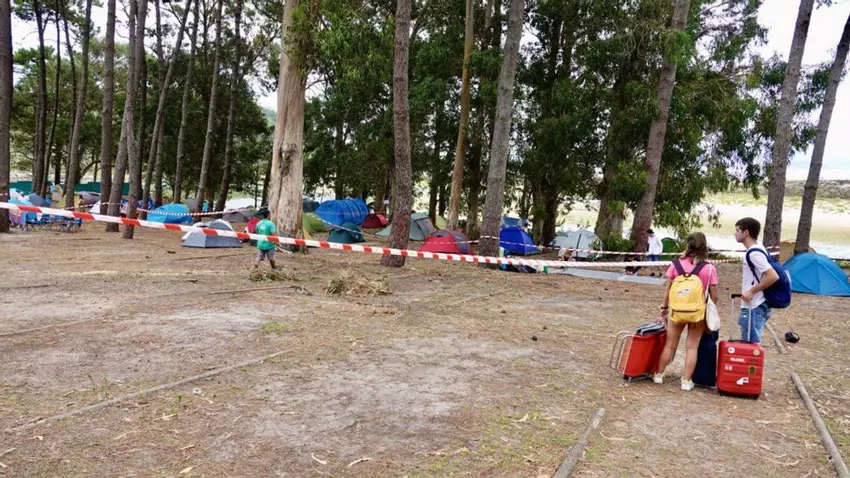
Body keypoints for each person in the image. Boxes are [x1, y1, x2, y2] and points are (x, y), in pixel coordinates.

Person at [653, 232, 718, 391]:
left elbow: (668, 289)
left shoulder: (676, 265)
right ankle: (686, 381)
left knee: (670, 345)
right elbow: (714, 294)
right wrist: (708, 308)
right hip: (697, 313)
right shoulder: (709, 268)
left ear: (687, 245)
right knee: (692, 347)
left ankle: (659, 374)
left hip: (677, 311)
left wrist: (664, 308)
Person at [734, 217, 779, 344]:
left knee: (751, 346)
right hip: (757, 304)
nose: (735, 233)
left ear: (746, 232)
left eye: (737, 230)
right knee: (751, 343)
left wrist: (752, 291)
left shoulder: (754, 253)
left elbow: (773, 276)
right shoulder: (759, 248)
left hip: (754, 305)